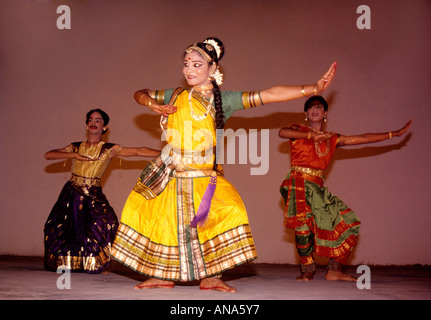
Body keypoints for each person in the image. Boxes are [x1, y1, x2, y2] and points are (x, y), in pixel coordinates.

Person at [110, 37, 337, 292]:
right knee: (163, 221)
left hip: (204, 175)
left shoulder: (224, 101)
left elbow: (268, 95)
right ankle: (161, 274)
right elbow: (138, 93)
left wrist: (312, 88)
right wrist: (152, 104)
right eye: (186, 64)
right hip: (173, 172)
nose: (189, 70)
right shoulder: (175, 95)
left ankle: (211, 276)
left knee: (229, 212)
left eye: (197, 65)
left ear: (213, 69)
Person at [279, 95, 412, 281]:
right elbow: (283, 132)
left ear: (325, 113)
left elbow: (363, 138)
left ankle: (334, 270)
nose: (314, 110)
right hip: (298, 183)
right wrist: (311, 135)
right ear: (306, 114)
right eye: (310, 108)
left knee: (349, 222)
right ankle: (307, 270)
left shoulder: (332, 138)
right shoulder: (298, 129)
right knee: (303, 228)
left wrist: (393, 134)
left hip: (317, 188)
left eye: (319, 107)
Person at [44, 109, 160, 274]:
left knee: (108, 223)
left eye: (98, 120)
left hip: (93, 193)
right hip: (72, 193)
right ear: (86, 124)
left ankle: (100, 263)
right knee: (63, 227)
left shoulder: (108, 149)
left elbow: (138, 151)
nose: (93, 123)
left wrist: (166, 154)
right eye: (91, 120)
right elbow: (48, 155)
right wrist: (74, 156)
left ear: (104, 127)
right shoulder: (75, 147)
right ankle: (69, 263)